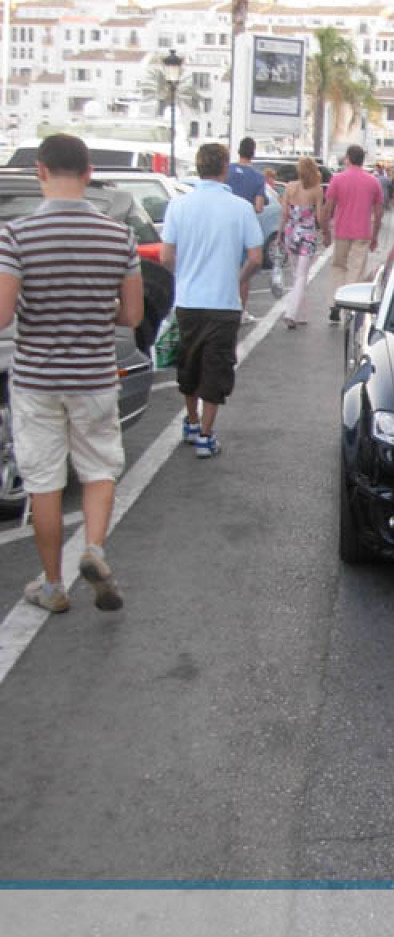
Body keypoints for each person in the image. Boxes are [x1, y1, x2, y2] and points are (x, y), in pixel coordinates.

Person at [0, 134, 142, 613]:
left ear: (40, 171)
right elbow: (133, 316)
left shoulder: (16, 235)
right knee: (100, 469)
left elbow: (2, 314)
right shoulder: (118, 235)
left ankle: (53, 586)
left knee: (45, 482)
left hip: (37, 379)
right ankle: (95, 551)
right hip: (95, 375)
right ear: (87, 173)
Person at [161, 142, 264, 459]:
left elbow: (166, 256)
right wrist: (239, 278)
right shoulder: (240, 208)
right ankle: (206, 434)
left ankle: (191, 423)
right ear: (225, 168)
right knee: (216, 368)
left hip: (189, 300)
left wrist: (184, 274)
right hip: (223, 302)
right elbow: (256, 257)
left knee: (189, 364)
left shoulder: (179, 206)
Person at [320, 144, 383, 301]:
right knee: (356, 269)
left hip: (342, 231)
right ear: (362, 160)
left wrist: (325, 231)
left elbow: (328, 208)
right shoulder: (373, 182)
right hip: (362, 232)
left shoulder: (337, 179)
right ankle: (349, 306)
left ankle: (336, 300)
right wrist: (375, 235)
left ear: (348, 159)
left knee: (339, 267)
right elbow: (378, 213)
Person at [279, 156, 324, 330]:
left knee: (296, 274)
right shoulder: (317, 190)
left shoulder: (289, 187)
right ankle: (291, 313)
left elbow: (284, 214)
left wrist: (280, 234)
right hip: (307, 235)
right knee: (302, 275)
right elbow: (319, 216)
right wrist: (324, 230)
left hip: (291, 233)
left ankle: (301, 313)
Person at [225, 137, 266, 323]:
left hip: (224, 225)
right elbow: (258, 207)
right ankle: (240, 311)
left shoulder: (227, 171)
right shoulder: (257, 177)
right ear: (253, 153)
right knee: (245, 272)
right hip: (243, 228)